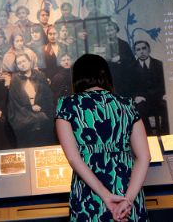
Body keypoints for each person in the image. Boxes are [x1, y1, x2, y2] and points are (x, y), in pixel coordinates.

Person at [55, 54, 150, 221]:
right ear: (105, 75)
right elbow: (144, 157)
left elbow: (73, 158)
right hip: (126, 188)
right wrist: (128, 200)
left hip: (89, 191)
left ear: (77, 77)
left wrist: (106, 196)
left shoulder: (68, 105)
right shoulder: (127, 104)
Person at [8, 53, 56, 148]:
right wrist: (31, 106)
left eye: (24, 61)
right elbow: (15, 100)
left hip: (41, 108)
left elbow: (47, 95)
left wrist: (40, 106)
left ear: (29, 62)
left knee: (44, 119)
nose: (22, 64)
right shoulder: (15, 79)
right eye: (19, 63)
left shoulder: (40, 75)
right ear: (17, 66)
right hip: (23, 110)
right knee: (32, 121)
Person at [131, 40, 169, 135]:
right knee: (138, 108)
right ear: (135, 52)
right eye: (138, 49)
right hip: (143, 100)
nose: (142, 51)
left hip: (159, 98)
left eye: (144, 48)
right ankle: (148, 136)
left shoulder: (159, 64)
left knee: (167, 106)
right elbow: (129, 87)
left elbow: (164, 82)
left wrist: (165, 93)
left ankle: (165, 134)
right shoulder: (131, 68)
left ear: (149, 49)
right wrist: (135, 97)